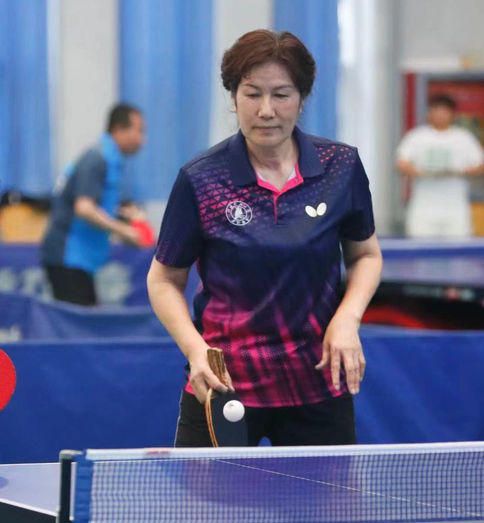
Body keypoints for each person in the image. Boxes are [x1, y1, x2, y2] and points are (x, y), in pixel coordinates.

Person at [147, 30, 383, 448]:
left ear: (302, 98)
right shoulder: (202, 179)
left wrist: (348, 319)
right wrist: (195, 350)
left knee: (325, 496)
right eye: (252, 94)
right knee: (204, 495)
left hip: (318, 383)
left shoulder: (340, 167)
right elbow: (164, 279)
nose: (266, 110)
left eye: (281, 95)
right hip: (224, 384)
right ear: (233, 97)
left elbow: (365, 255)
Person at [40, 103, 151, 306]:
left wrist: (125, 219)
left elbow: (102, 206)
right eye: (139, 131)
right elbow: (84, 208)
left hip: (84, 260)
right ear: (118, 129)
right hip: (68, 256)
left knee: (89, 316)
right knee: (78, 322)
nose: (142, 140)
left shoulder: (112, 161)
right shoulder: (97, 158)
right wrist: (124, 231)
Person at [396, 94, 484, 238]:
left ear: (452, 114)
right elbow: (401, 163)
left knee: (459, 246)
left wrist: (462, 172)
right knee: (420, 245)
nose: (440, 115)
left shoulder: (463, 137)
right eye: (436, 110)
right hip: (424, 207)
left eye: (444, 111)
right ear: (429, 112)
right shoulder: (417, 136)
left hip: (455, 207)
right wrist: (419, 172)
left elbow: (480, 165)